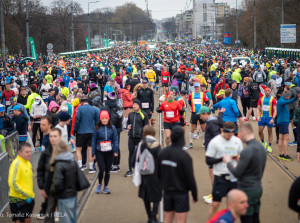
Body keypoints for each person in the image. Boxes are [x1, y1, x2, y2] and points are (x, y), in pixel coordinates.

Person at [223, 122, 266, 223]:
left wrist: (228, 162)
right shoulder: (260, 147)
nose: (238, 136)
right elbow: (254, 165)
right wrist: (241, 160)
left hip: (247, 190)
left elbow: (237, 173)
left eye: (239, 133)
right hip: (257, 187)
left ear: (243, 132)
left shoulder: (247, 150)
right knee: (256, 217)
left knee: (246, 219)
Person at [157, 126, 197, 223]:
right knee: (180, 220)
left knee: (167, 219)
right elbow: (190, 177)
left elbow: (158, 173)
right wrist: (194, 194)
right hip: (181, 194)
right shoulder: (184, 156)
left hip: (167, 192)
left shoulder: (162, 153)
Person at [206, 121, 243, 219]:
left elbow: (242, 157)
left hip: (233, 177)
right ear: (222, 130)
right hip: (220, 177)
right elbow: (208, 160)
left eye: (231, 135)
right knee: (215, 205)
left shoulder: (237, 141)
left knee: (232, 206)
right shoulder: (215, 141)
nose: (229, 137)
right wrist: (222, 159)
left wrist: (239, 158)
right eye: (227, 135)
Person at [198, 106, 224, 204]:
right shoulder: (214, 119)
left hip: (214, 152)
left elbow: (216, 136)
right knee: (213, 172)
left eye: (201, 115)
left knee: (213, 172)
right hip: (214, 151)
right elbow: (221, 123)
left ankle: (215, 194)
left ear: (205, 114)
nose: (200, 118)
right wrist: (220, 113)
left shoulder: (211, 123)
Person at [136, 125, 162, 223]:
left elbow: (137, 158)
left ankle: (149, 217)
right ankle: (154, 216)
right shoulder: (157, 146)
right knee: (157, 197)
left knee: (145, 196)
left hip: (144, 173)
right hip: (155, 174)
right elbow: (161, 159)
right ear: (154, 134)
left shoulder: (141, 144)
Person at [50, 140, 78, 223]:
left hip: (63, 196)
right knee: (72, 217)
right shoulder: (72, 160)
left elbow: (57, 183)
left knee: (65, 219)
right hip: (73, 194)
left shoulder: (58, 164)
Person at [92, 110, 119, 194]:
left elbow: (115, 139)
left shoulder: (112, 128)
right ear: (100, 119)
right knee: (101, 168)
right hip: (100, 151)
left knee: (108, 169)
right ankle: (99, 184)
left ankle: (106, 186)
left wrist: (115, 150)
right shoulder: (97, 128)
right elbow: (93, 141)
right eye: (103, 118)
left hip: (109, 151)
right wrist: (93, 153)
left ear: (108, 119)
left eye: (106, 118)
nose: (104, 120)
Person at [8, 142, 35, 223]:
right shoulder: (16, 164)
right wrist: (26, 194)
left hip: (28, 198)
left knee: (28, 219)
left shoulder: (27, 162)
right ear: (19, 152)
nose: (29, 154)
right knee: (20, 221)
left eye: (30, 151)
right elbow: (13, 183)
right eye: (26, 152)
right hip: (18, 199)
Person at [74, 96, 99, 173]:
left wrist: (75, 129)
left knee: (78, 149)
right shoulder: (94, 109)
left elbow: (77, 120)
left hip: (81, 131)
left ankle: (80, 166)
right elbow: (97, 120)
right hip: (91, 131)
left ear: (81, 102)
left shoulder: (79, 109)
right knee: (90, 149)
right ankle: (91, 167)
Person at [125, 100, 148, 177]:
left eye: (136, 105)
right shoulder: (130, 114)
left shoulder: (143, 114)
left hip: (140, 137)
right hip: (131, 136)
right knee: (131, 152)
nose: (134, 106)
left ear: (139, 106)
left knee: (140, 153)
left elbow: (146, 126)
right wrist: (127, 126)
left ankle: (140, 169)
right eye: (133, 104)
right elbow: (128, 123)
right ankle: (130, 169)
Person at [188, 82, 209, 148]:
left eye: (198, 87)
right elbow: (189, 102)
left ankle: (204, 142)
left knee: (203, 127)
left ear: (200, 88)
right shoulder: (191, 95)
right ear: (194, 88)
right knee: (193, 128)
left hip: (201, 114)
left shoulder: (203, 94)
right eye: (195, 87)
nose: (197, 88)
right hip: (194, 113)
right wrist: (190, 108)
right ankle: (191, 142)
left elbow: (207, 102)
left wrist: (205, 109)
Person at [256, 87, 277, 153]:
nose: (267, 92)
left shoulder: (273, 99)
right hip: (262, 117)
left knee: (269, 132)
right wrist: (258, 116)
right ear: (264, 92)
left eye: (268, 91)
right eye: (266, 91)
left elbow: (275, 109)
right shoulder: (261, 99)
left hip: (269, 117)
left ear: (270, 91)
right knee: (260, 130)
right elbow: (258, 108)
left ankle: (269, 146)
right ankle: (263, 142)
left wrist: (273, 119)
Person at [277, 90, 296, 161]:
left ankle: (281, 154)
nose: (289, 97)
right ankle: (285, 154)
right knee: (286, 138)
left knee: (281, 138)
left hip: (282, 121)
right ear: (287, 96)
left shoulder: (281, 100)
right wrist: (294, 99)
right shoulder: (281, 100)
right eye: (289, 96)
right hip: (283, 122)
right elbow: (286, 102)